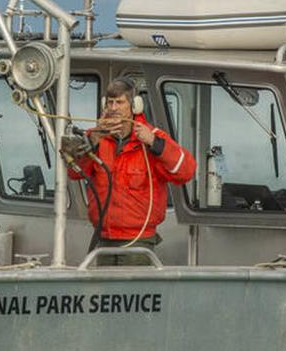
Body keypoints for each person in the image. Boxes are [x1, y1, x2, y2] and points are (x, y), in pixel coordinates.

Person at [67, 78, 196, 266]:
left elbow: (186, 171)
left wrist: (154, 143)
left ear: (135, 105)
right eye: (110, 102)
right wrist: (93, 140)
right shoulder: (94, 137)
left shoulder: (152, 138)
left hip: (139, 241)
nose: (113, 108)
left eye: (119, 102)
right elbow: (74, 172)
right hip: (103, 238)